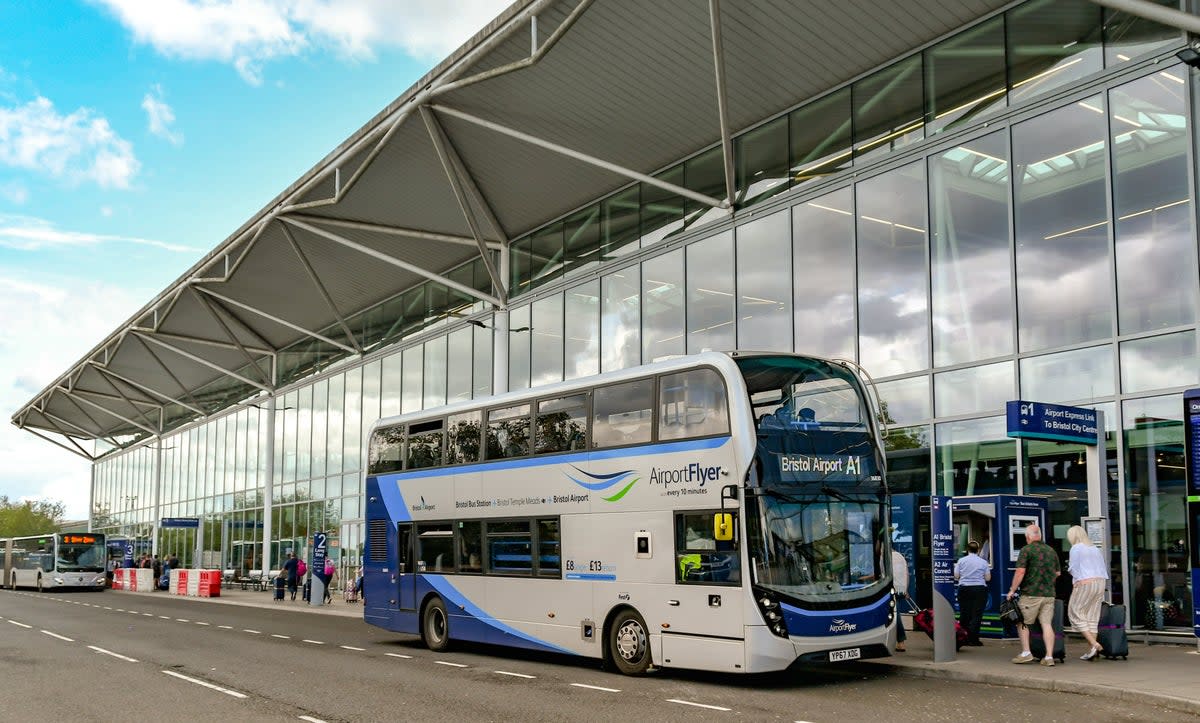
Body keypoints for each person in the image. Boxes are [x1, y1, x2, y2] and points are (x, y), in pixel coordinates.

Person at [1006, 524, 1061, 666]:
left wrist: (1012, 589)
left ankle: (1026, 652)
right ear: (1040, 536)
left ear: (1028, 537)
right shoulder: (1051, 551)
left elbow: (1020, 572)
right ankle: (1049, 657)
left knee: (1022, 622)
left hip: (1031, 594)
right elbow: (1057, 573)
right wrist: (1047, 581)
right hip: (1049, 595)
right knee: (1047, 624)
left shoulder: (1026, 550)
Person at [1066, 525, 1108, 660]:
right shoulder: (1094, 548)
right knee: (1092, 615)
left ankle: (1094, 644)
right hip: (1100, 582)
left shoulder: (1076, 548)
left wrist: (1076, 582)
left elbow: (1073, 568)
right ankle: (1092, 651)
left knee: (1075, 612)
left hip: (1085, 582)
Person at [954, 540, 991, 646]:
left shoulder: (961, 561)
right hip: (979, 590)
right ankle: (974, 639)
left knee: (964, 614)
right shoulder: (983, 562)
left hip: (964, 589)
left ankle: (963, 638)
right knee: (976, 615)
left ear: (968, 550)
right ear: (978, 550)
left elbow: (956, 576)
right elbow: (988, 578)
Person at [891, 548, 909, 652]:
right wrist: (906, 590)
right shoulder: (900, 556)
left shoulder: (885, 557)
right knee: (895, 614)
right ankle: (899, 641)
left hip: (892, 589)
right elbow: (906, 574)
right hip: (901, 588)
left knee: (895, 615)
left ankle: (901, 641)